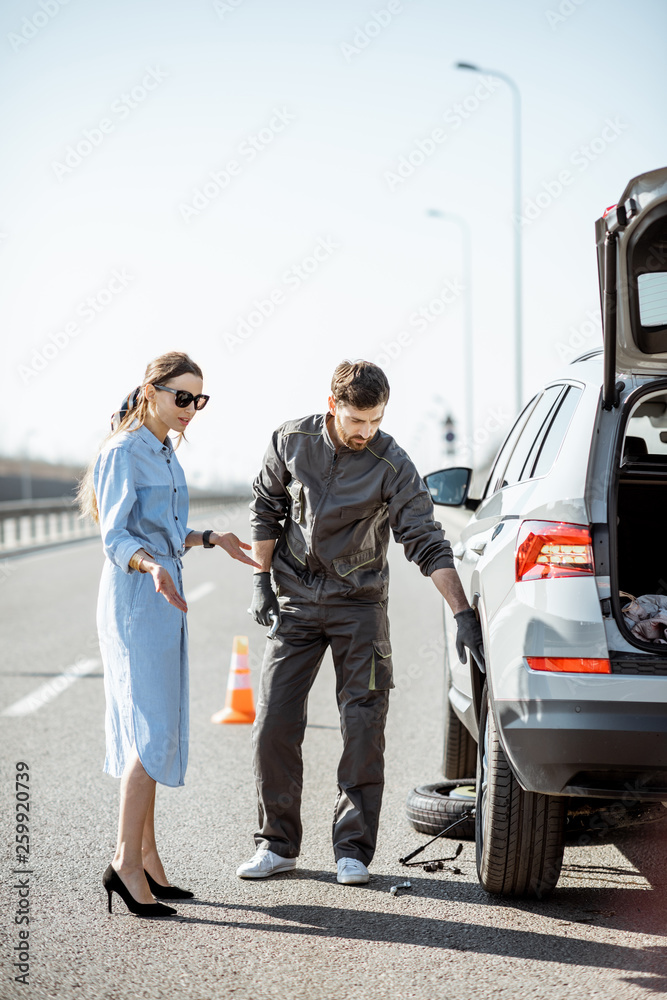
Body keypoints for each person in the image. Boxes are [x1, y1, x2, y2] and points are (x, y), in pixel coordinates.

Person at [237, 360, 483, 885]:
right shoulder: (290, 440)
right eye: (355, 421)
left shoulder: (392, 463)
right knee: (274, 723)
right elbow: (266, 507)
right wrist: (261, 578)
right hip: (297, 602)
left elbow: (425, 538)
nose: (364, 432)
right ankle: (276, 845)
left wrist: (462, 612)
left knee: (363, 725)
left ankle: (352, 849)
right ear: (333, 406)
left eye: (374, 421)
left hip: (360, 604)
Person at [78, 351, 259, 918]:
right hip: (137, 601)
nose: (191, 410)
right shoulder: (124, 451)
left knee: (158, 728)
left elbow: (166, 532)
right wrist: (150, 566)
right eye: (182, 397)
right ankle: (124, 865)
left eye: (198, 400)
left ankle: (149, 858)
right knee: (150, 734)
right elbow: (117, 538)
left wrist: (210, 537)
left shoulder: (163, 450)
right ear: (151, 391)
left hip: (165, 600)